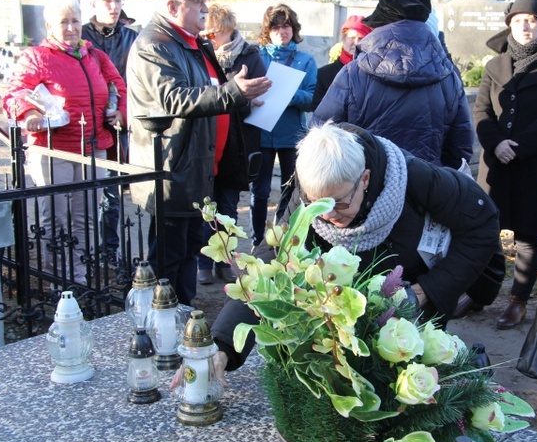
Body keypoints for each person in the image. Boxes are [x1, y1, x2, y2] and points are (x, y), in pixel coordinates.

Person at [210, 122, 501, 385]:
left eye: (338, 203)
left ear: (364, 179)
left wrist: (427, 290)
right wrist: (222, 344)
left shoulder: (416, 178)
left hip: (415, 302)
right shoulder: (311, 193)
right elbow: (272, 260)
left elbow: (482, 224)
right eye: (316, 205)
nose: (326, 216)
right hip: (348, 318)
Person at [127, 0, 271, 306]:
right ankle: (160, 321)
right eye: (198, 4)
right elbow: (175, 99)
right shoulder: (155, 44)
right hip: (173, 169)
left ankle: (184, 315)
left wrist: (243, 96)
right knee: (169, 255)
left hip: (200, 168)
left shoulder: (193, 42)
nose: (206, 10)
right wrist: (234, 92)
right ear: (172, 6)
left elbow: (211, 92)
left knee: (191, 248)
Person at [2, 0, 127, 284]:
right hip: (53, 148)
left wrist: (120, 111)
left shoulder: (94, 55)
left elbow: (117, 84)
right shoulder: (37, 57)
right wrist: (29, 110)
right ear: (49, 26)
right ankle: (58, 277)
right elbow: (14, 91)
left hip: (93, 146)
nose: (71, 28)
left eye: (75, 21)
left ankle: (79, 276)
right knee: (56, 217)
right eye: (63, 22)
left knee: (85, 216)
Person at [472, 0, 537, 329]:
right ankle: (477, 293)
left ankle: (518, 301)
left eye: (532, 19)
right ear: (509, 25)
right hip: (496, 163)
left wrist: (519, 147)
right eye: (518, 20)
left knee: (527, 236)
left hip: (533, 162)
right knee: (486, 231)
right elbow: (482, 111)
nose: (525, 26)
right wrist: (496, 143)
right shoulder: (493, 66)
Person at [312, 0, 474, 169]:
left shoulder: (353, 73)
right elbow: (460, 148)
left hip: (366, 187)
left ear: (379, 25)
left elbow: (321, 134)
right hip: (428, 188)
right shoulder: (448, 77)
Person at [196, 3, 267, 285]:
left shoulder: (249, 55)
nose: (209, 39)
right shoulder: (200, 53)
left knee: (227, 204)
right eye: (207, 34)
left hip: (237, 140)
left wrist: (245, 98)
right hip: (207, 137)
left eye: (214, 34)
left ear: (228, 30)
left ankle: (226, 261)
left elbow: (260, 92)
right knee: (207, 204)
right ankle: (204, 262)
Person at [249, 4, 317, 246]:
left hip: (292, 137)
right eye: (276, 27)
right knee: (260, 191)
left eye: (286, 26)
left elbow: (311, 99)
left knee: (291, 192)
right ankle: (258, 241)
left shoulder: (305, 61)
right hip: (262, 134)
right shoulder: (256, 55)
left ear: (294, 28)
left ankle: (285, 241)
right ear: (268, 31)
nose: (282, 31)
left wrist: (287, 93)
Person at [82, 0, 139, 267]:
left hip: (116, 127)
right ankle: (80, 251)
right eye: (106, 0)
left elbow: (138, 86)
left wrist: (124, 113)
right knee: (80, 196)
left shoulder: (132, 39)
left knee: (111, 193)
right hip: (81, 128)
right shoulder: (80, 37)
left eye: (117, 0)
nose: (113, 6)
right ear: (93, 4)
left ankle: (108, 252)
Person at [311, 15, 371, 110]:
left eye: (361, 38)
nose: (355, 42)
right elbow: (317, 107)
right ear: (343, 39)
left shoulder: (373, 73)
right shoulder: (325, 73)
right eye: (351, 37)